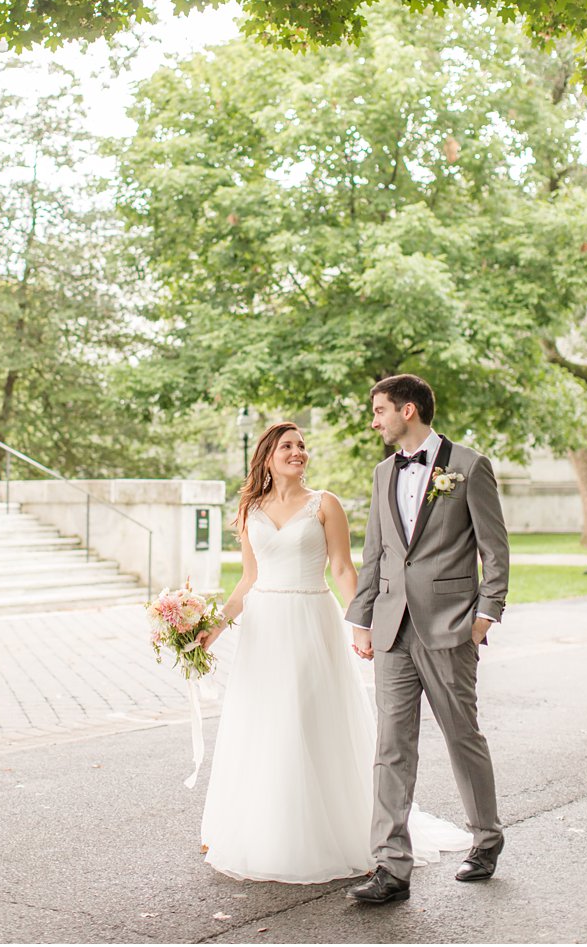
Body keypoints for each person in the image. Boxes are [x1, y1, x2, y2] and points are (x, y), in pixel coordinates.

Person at [196, 422, 468, 883]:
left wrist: (364, 626)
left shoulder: (325, 504)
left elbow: (344, 569)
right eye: (288, 446)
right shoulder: (250, 509)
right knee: (264, 726)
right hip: (264, 628)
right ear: (267, 455)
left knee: (306, 720)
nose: (298, 452)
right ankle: (267, 834)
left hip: (310, 621)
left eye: (302, 446)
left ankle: (335, 834)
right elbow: (248, 579)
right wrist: (214, 629)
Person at [344, 374, 510, 905]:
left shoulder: (469, 466)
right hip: (393, 628)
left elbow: (495, 549)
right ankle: (391, 866)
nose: (374, 421)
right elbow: (375, 552)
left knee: (462, 736)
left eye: (379, 411)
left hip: (451, 625)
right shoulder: (380, 473)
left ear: (407, 411)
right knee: (391, 748)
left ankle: (486, 839)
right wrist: (362, 618)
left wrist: (486, 614)